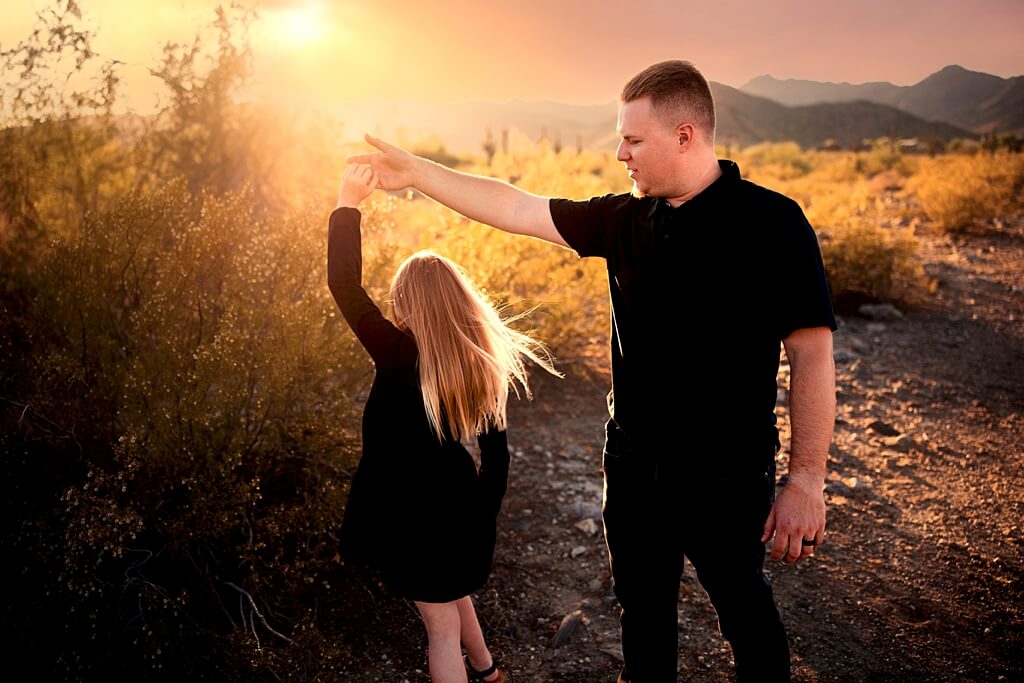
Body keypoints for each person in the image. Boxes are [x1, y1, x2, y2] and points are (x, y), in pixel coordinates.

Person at [348, 60, 837, 682]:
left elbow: (812, 354)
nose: (620, 154)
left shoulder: (772, 223)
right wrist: (418, 174)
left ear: (685, 135)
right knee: (642, 613)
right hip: (634, 467)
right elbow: (517, 207)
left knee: (744, 609)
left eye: (633, 140)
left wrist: (806, 480)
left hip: (726, 472)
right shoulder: (625, 220)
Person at [329, 163, 560, 683]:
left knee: (438, 628)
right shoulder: (479, 360)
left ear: (406, 303)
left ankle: (476, 668)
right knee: (453, 593)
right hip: (461, 508)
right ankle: (488, 671)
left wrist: (349, 201)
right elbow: (497, 454)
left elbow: (342, 282)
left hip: (407, 516)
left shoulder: (394, 352)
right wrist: (483, 510)